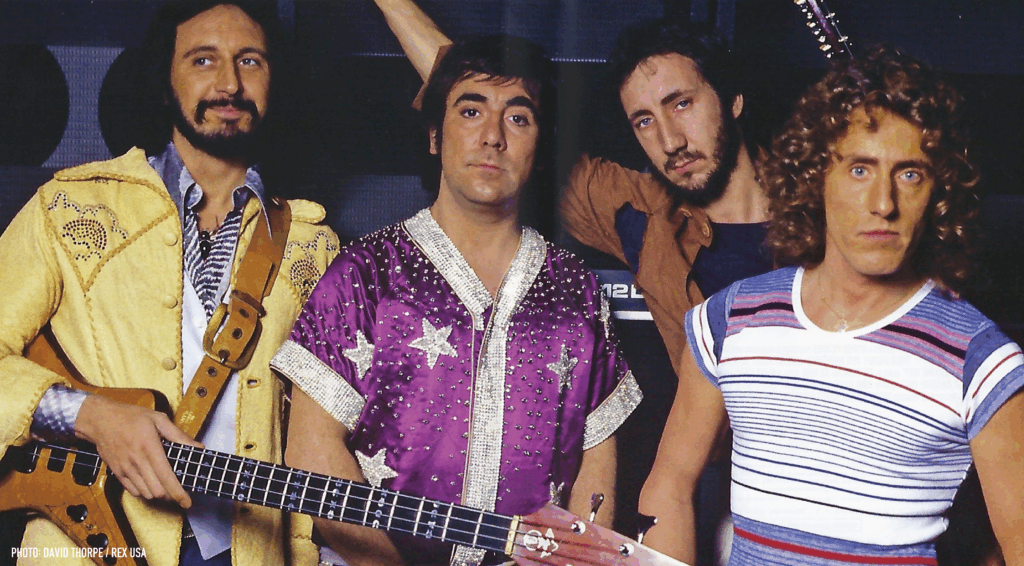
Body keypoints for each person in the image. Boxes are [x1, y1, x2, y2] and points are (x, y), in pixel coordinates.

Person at [639, 44, 1024, 566]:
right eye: (860, 170)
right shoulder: (729, 320)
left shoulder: (982, 359)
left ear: (937, 192)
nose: (883, 204)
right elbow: (669, 485)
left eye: (910, 174)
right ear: (817, 176)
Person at [271, 34, 640, 566]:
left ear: (540, 147)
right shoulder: (366, 272)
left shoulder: (574, 288)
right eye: (471, 111)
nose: (492, 136)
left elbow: (597, 467)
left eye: (519, 118)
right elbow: (313, 453)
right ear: (433, 135)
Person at [0, 2, 339, 565]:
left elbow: (318, 438)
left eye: (250, 61)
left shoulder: (315, 246)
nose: (229, 84)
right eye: (203, 60)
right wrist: (89, 415)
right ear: (164, 83)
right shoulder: (68, 206)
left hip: (252, 548)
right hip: (83, 544)